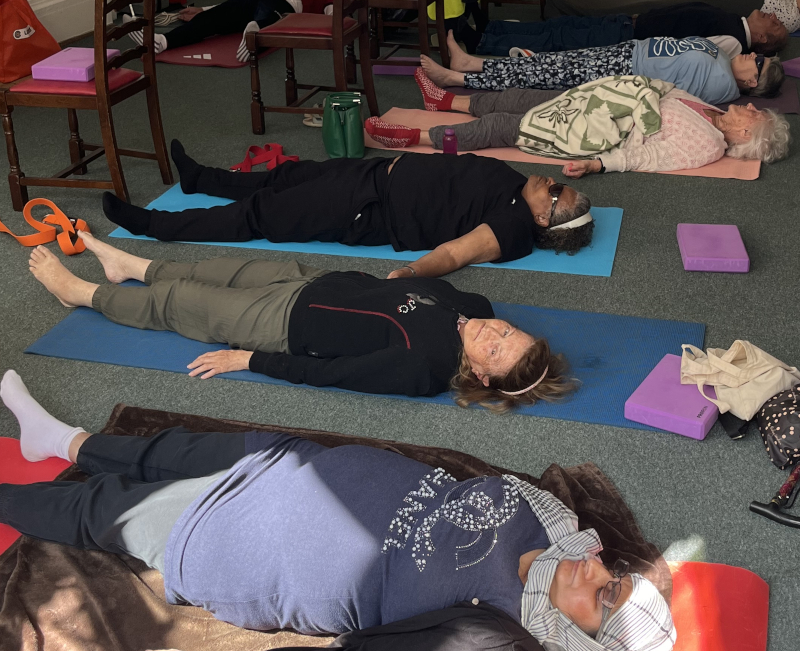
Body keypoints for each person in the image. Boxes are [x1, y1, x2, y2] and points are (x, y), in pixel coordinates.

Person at [0, 371, 676, 651]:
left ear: (582, 641)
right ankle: (60, 438)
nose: (597, 565)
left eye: (605, 592)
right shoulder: (558, 524)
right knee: (163, 450)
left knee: (103, 508)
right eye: (615, 572)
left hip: (251, 542)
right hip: (294, 462)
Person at [27, 236, 574, 408]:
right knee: (205, 267)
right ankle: (131, 265)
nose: (493, 333)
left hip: (282, 324)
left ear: (481, 376)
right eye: (506, 331)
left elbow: (333, 374)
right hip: (309, 279)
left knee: (178, 303)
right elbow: (438, 289)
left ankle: (81, 294)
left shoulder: (424, 370)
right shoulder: (474, 310)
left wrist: (249, 359)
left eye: (497, 350)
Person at [101, 140, 595, 271]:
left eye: (555, 195)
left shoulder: (512, 228)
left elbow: (456, 254)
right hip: (375, 174)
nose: (550, 183)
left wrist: (409, 276)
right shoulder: (516, 185)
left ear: (543, 220)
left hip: (368, 208)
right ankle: (199, 178)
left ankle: (154, 224)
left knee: (265, 213)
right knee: (287, 175)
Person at [365, 74, 791, 171]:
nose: (751, 107)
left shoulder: (707, 144)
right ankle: (448, 101)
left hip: (594, 126)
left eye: (756, 114)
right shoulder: (709, 108)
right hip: (595, 99)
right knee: (519, 97)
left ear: (748, 134)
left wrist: (599, 164)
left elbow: (648, 156)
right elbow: (659, 88)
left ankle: (418, 137)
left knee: (503, 126)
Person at [419, 31, 784, 107]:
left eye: (760, 63)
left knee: (544, 75)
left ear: (753, 80)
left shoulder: (724, 84)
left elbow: (682, 97)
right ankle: (472, 63)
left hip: (625, 71)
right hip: (628, 52)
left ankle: (459, 77)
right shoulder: (727, 53)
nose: (754, 55)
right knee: (549, 64)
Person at [464, 0, 793, 57]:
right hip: (629, 24)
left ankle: (481, 43)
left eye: (775, 24)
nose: (773, 16)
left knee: (558, 40)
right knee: (559, 25)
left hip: (629, 38)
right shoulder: (735, 20)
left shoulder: (734, 42)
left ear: (762, 38)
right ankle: (492, 29)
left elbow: (688, 53)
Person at [125, 0, 333, 62]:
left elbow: (225, 7)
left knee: (213, 19)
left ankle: (162, 41)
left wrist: (204, 9)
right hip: (282, 0)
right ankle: (254, 36)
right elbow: (333, 12)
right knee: (271, 20)